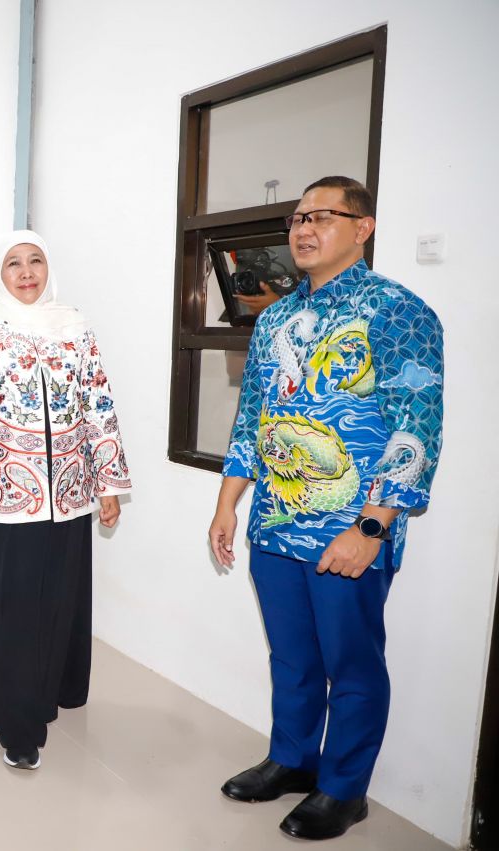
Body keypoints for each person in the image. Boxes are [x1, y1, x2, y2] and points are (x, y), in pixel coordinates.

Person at [208, 176, 444, 841]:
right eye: (297, 218)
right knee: (293, 657)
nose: (303, 229)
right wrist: (228, 504)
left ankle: (345, 789)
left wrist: (373, 526)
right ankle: (291, 758)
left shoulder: (397, 311)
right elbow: (253, 416)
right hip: (275, 525)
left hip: (349, 531)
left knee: (353, 663)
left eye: (321, 216)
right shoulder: (277, 317)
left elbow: (415, 428)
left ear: (362, 227)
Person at [0, 229, 132, 770]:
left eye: (36, 261)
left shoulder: (75, 327)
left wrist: (108, 483)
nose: (26, 273)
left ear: (49, 267)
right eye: (14, 264)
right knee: (13, 611)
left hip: (69, 496)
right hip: (2, 494)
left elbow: (99, 407)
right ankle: (18, 729)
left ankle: (39, 697)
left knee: (57, 605)